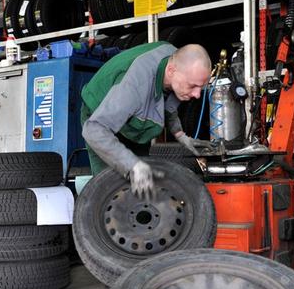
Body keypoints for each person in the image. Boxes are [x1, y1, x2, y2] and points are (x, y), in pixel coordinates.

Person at [81, 42, 212, 198]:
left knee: (145, 186)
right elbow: (93, 130)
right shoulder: (135, 86)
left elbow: (168, 105)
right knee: (114, 194)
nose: (197, 95)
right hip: (101, 120)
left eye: (201, 87)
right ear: (171, 71)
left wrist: (180, 135)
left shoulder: (178, 62)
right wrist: (132, 165)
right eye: (193, 86)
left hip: (131, 121)